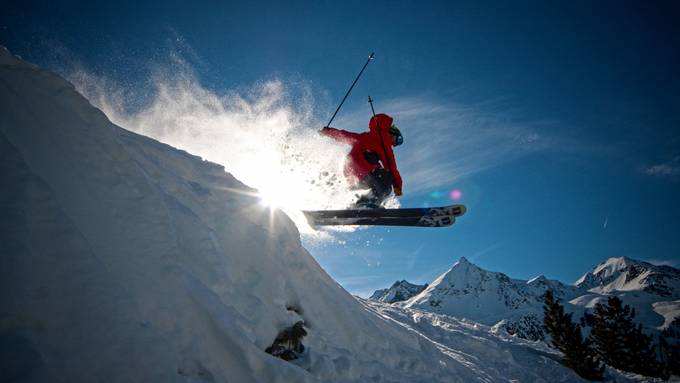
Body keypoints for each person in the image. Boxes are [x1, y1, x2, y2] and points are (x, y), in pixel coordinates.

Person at [320, 113, 403, 208]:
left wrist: (328, 132)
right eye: (398, 140)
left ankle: (361, 204)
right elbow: (391, 167)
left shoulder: (364, 136)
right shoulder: (384, 140)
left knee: (378, 183)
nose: (395, 144)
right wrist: (397, 186)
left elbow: (345, 136)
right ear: (391, 133)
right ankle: (368, 203)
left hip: (351, 174)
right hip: (365, 170)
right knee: (387, 181)